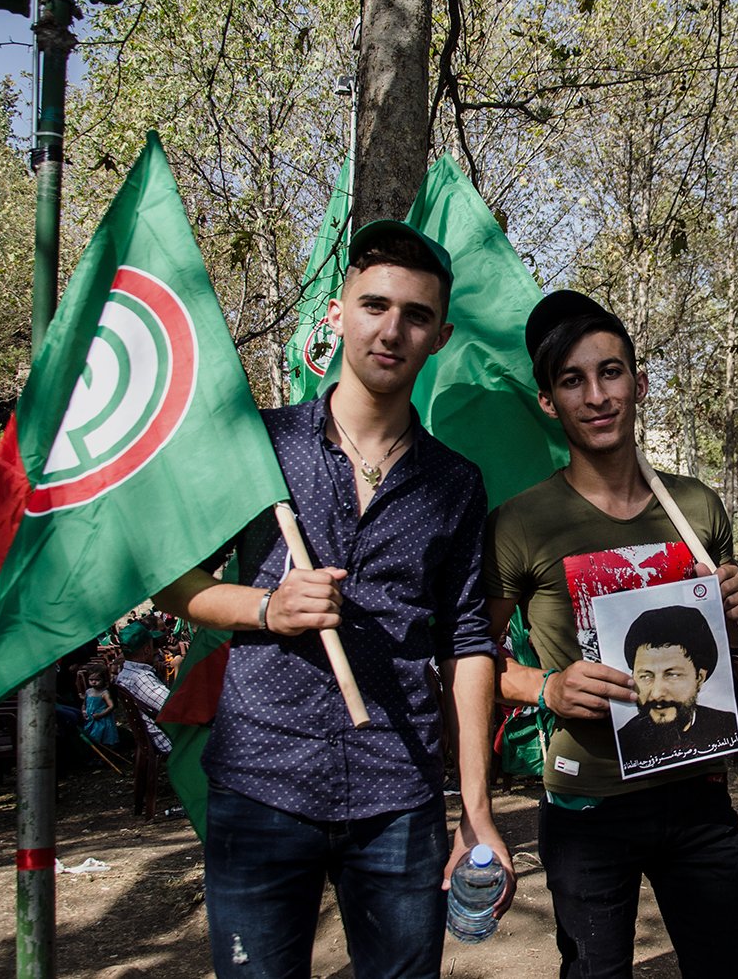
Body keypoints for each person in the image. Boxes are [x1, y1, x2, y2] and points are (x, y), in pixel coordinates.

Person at [153, 220, 509, 979]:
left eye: (415, 315)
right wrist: (264, 608)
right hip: (259, 781)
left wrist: (475, 810)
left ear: (439, 336)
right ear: (337, 314)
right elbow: (171, 581)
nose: (392, 329)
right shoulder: (261, 446)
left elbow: (469, 645)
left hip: (399, 788)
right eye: (374, 305)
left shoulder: (457, 483)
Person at [486, 289, 738, 978]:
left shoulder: (696, 505)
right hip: (588, 804)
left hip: (699, 795)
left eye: (611, 373)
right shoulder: (520, 522)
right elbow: (469, 661)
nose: (597, 395)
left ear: (638, 384)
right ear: (548, 401)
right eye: (572, 380)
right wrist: (544, 687)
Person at [615, 605, 738, 769]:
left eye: (672, 675)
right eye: (645, 676)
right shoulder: (624, 742)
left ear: (699, 677)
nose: (657, 693)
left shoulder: (727, 726)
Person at [112, 622, 173, 756]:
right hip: (168, 740)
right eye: (153, 646)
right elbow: (174, 708)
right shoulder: (141, 679)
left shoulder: (125, 673)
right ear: (146, 650)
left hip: (152, 735)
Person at [82, 667, 119, 747]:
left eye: (97, 680)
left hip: (102, 719)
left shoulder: (104, 693)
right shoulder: (88, 692)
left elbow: (111, 706)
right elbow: (84, 703)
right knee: (90, 735)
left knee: (101, 735)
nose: (94, 682)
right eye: (91, 680)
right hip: (90, 718)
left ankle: (105, 748)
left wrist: (101, 714)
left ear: (103, 680)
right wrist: (84, 711)